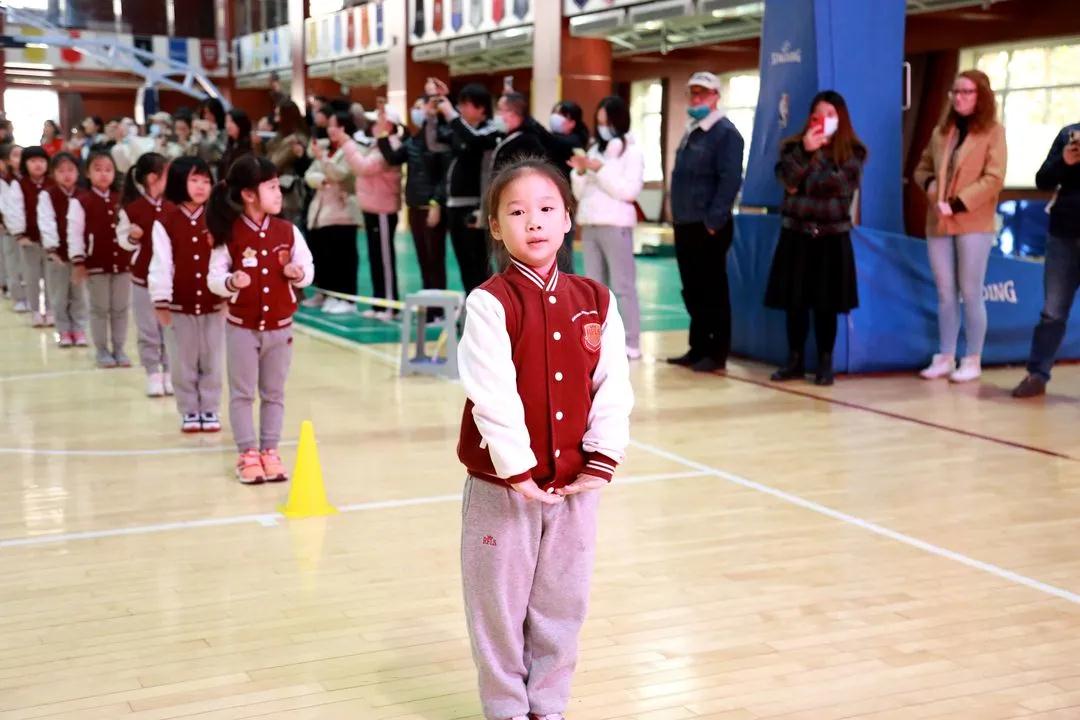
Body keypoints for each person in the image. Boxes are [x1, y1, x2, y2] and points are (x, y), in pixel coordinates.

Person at [457, 157, 633, 720]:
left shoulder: (596, 299)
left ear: (567, 218)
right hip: (503, 487)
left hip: (575, 487)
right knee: (498, 606)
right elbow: (492, 394)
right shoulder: (489, 302)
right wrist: (518, 470)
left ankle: (548, 704)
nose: (533, 221)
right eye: (516, 212)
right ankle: (507, 707)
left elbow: (613, 386)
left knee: (563, 600)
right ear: (495, 226)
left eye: (546, 208)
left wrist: (601, 459)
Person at [207, 155, 315, 484]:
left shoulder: (287, 231)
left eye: (278, 186)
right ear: (248, 194)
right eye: (271, 187)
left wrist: (298, 274)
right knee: (242, 394)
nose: (278, 193)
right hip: (242, 329)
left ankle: (270, 450)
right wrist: (230, 282)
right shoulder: (230, 233)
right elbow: (214, 277)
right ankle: (247, 453)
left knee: (274, 393)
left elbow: (308, 268)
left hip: (280, 329)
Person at [765, 90, 867, 387]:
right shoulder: (792, 147)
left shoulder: (853, 152)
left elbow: (836, 185)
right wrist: (805, 152)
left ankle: (825, 361)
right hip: (796, 233)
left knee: (827, 304)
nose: (823, 120)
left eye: (830, 115)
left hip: (831, 237)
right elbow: (787, 180)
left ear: (841, 119)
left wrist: (807, 172)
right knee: (794, 302)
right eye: (818, 115)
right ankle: (794, 360)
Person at [913, 69, 1007, 383]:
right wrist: (930, 186)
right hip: (938, 220)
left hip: (973, 221)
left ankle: (972, 358)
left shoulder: (993, 132)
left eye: (967, 92)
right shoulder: (942, 132)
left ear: (981, 97)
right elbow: (922, 168)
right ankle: (945, 355)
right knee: (945, 291)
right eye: (955, 92)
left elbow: (994, 178)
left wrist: (957, 203)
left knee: (970, 290)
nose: (959, 98)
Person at [667, 71, 745, 373]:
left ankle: (717, 351)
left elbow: (730, 181)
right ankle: (698, 347)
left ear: (716, 97)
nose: (696, 98)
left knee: (713, 290)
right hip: (685, 222)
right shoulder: (693, 130)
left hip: (708, 225)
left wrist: (713, 221)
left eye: (702, 93)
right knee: (693, 289)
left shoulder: (726, 134)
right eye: (693, 93)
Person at [150, 156, 225, 434]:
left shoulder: (217, 218)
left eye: (206, 180)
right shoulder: (166, 220)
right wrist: (161, 300)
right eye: (194, 180)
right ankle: (189, 409)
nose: (201, 186)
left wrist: (228, 294)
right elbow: (161, 263)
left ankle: (210, 407)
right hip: (179, 304)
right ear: (180, 182)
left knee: (212, 359)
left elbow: (226, 258)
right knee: (182, 360)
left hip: (214, 303)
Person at [571, 95, 645, 361]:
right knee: (595, 287)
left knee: (623, 286)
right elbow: (580, 193)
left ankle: (631, 342)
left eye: (607, 122)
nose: (603, 127)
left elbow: (628, 191)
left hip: (616, 225)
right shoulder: (594, 150)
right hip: (590, 225)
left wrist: (600, 170)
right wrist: (580, 173)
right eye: (599, 122)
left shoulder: (632, 153)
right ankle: (598, 341)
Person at [1011, 122, 1080, 398]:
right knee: (1052, 311)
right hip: (1063, 235)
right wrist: (1064, 162)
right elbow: (1043, 180)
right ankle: (1037, 375)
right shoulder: (1069, 134)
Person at [67, 150, 135, 368]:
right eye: (98, 169)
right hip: (95, 264)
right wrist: (79, 261)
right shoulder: (81, 201)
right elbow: (74, 233)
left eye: (108, 170)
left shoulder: (122, 200)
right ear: (87, 173)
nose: (104, 174)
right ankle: (102, 350)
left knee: (120, 309)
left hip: (123, 264)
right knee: (99, 309)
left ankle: (119, 348)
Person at [435, 83, 501, 295]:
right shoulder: (460, 130)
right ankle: (470, 303)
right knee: (463, 262)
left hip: (476, 207)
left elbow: (473, 139)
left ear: (481, 108)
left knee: (479, 263)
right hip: (454, 205)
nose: (461, 109)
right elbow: (435, 141)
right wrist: (437, 104)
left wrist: (451, 115)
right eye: (459, 104)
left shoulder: (491, 131)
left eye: (466, 104)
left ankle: (487, 306)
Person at [379, 96, 449, 296]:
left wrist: (436, 202)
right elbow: (393, 158)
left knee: (435, 259)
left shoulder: (441, 138)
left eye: (420, 107)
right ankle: (428, 301)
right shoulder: (413, 140)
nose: (416, 112)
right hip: (414, 205)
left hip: (431, 206)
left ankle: (438, 306)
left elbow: (444, 175)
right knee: (423, 259)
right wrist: (384, 133)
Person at [120, 152, 173, 397]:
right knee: (147, 329)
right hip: (142, 280)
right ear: (153, 178)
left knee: (169, 328)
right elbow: (123, 242)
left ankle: (170, 371)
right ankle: (153, 372)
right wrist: (133, 237)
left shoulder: (173, 207)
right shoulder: (132, 209)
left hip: (170, 280)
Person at [343, 108, 403, 319]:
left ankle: (390, 306)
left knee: (385, 259)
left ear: (388, 125)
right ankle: (379, 303)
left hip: (383, 209)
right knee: (375, 257)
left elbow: (364, 167)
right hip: (372, 208)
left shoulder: (391, 146)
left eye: (376, 122)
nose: (372, 126)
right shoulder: (377, 145)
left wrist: (347, 144)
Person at [304, 111, 360, 314]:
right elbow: (309, 174)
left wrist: (324, 163)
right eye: (330, 125)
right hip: (321, 211)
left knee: (343, 257)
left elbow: (340, 174)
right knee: (323, 255)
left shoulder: (351, 150)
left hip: (343, 211)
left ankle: (346, 298)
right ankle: (326, 293)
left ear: (345, 127)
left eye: (336, 125)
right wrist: (320, 179)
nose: (331, 130)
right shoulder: (326, 149)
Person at [37, 152, 89, 348]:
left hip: (80, 254)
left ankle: (79, 328)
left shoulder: (84, 195)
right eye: (61, 171)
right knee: (59, 295)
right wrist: (52, 249)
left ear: (78, 172)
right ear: (53, 173)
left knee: (80, 294)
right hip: (58, 254)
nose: (66, 175)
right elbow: (46, 222)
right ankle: (63, 330)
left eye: (70, 170)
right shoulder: (47, 195)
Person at [5, 146, 55, 327]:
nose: (38, 165)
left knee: (51, 277)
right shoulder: (19, 184)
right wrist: (19, 234)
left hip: (51, 241)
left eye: (41, 161)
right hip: (30, 239)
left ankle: (50, 310)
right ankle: (35, 311)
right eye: (33, 161)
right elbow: (14, 210)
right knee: (31, 277)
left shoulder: (53, 183)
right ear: (25, 164)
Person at [546, 100, 591, 274]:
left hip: (565, 201)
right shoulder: (552, 140)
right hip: (546, 199)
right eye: (555, 113)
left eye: (562, 115)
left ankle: (565, 285)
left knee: (563, 250)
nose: (556, 118)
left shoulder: (575, 141)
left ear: (573, 122)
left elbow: (555, 142)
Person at [265, 100, 311, 228]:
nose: (275, 118)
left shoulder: (296, 139)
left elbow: (274, 163)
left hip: (290, 191)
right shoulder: (280, 137)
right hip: (279, 189)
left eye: (278, 114)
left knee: (290, 229)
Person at [0, 144, 26, 312]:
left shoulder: (28, 179)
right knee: (11, 262)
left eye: (22, 155)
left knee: (27, 265)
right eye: (15, 155)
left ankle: (29, 296)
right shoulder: (4, 180)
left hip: (27, 230)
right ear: (7, 160)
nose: (20, 159)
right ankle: (17, 296)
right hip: (8, 228)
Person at [219, 108, 255, 180]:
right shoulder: (231, 143)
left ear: (240, 123)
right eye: (226, 121)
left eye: (231, 121)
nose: (228, 125)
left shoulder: (251, 143)